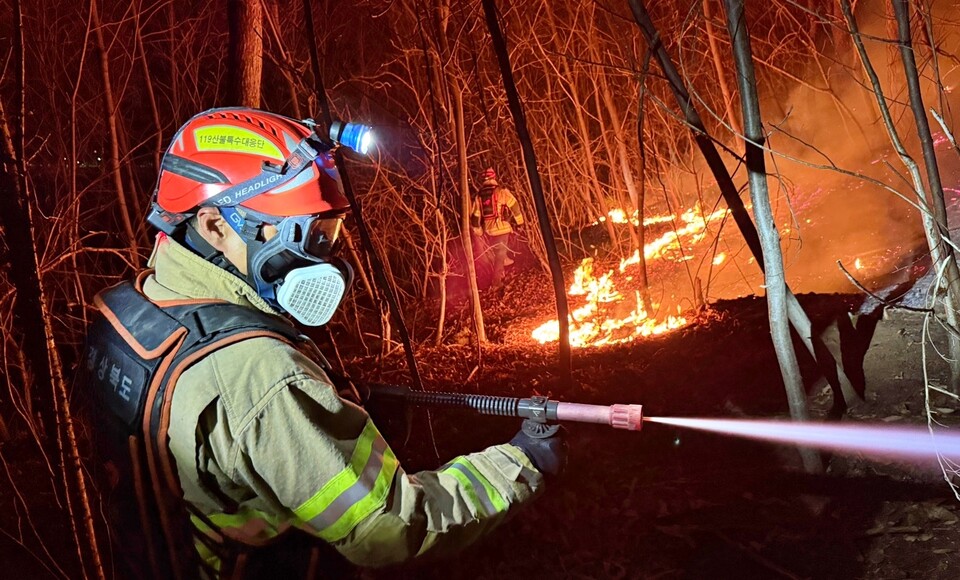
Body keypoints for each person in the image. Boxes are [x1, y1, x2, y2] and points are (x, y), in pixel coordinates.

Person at [79, 108, 563, 578]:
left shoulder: (134, 311)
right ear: (214, 225)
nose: (327, 261)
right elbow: (391, 525)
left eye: (331, 233)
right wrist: (523, 461)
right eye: (308, 236)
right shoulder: (263, 376)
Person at [470, 168, 525, 290]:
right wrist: (520, 223)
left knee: (500, 253)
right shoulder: (501, 191)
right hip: (502, 229)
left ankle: (504, 266)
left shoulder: (479, 196)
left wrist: (478, 230)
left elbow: (475, 215)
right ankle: (496, 283)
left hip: (490, 231)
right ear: (494, 177)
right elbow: (515, 207)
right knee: (500, 256)